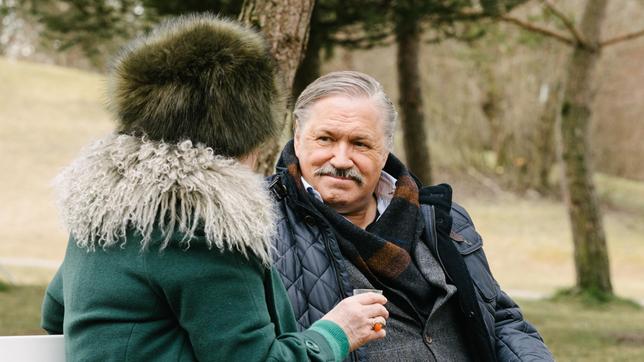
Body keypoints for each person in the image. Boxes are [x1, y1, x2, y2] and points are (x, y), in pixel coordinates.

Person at [40, 16, 389, 362]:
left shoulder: (110, 207)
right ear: (245, 134)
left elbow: (55, 313)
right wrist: (336, 333)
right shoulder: (204, 225)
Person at [267, 70, 555, 361]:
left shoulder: (442, 218)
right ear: (299, 137)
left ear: (385, 150)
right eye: (326, 139)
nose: (341, 160)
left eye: (360, 144)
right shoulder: (256, 225)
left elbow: (499, 319)